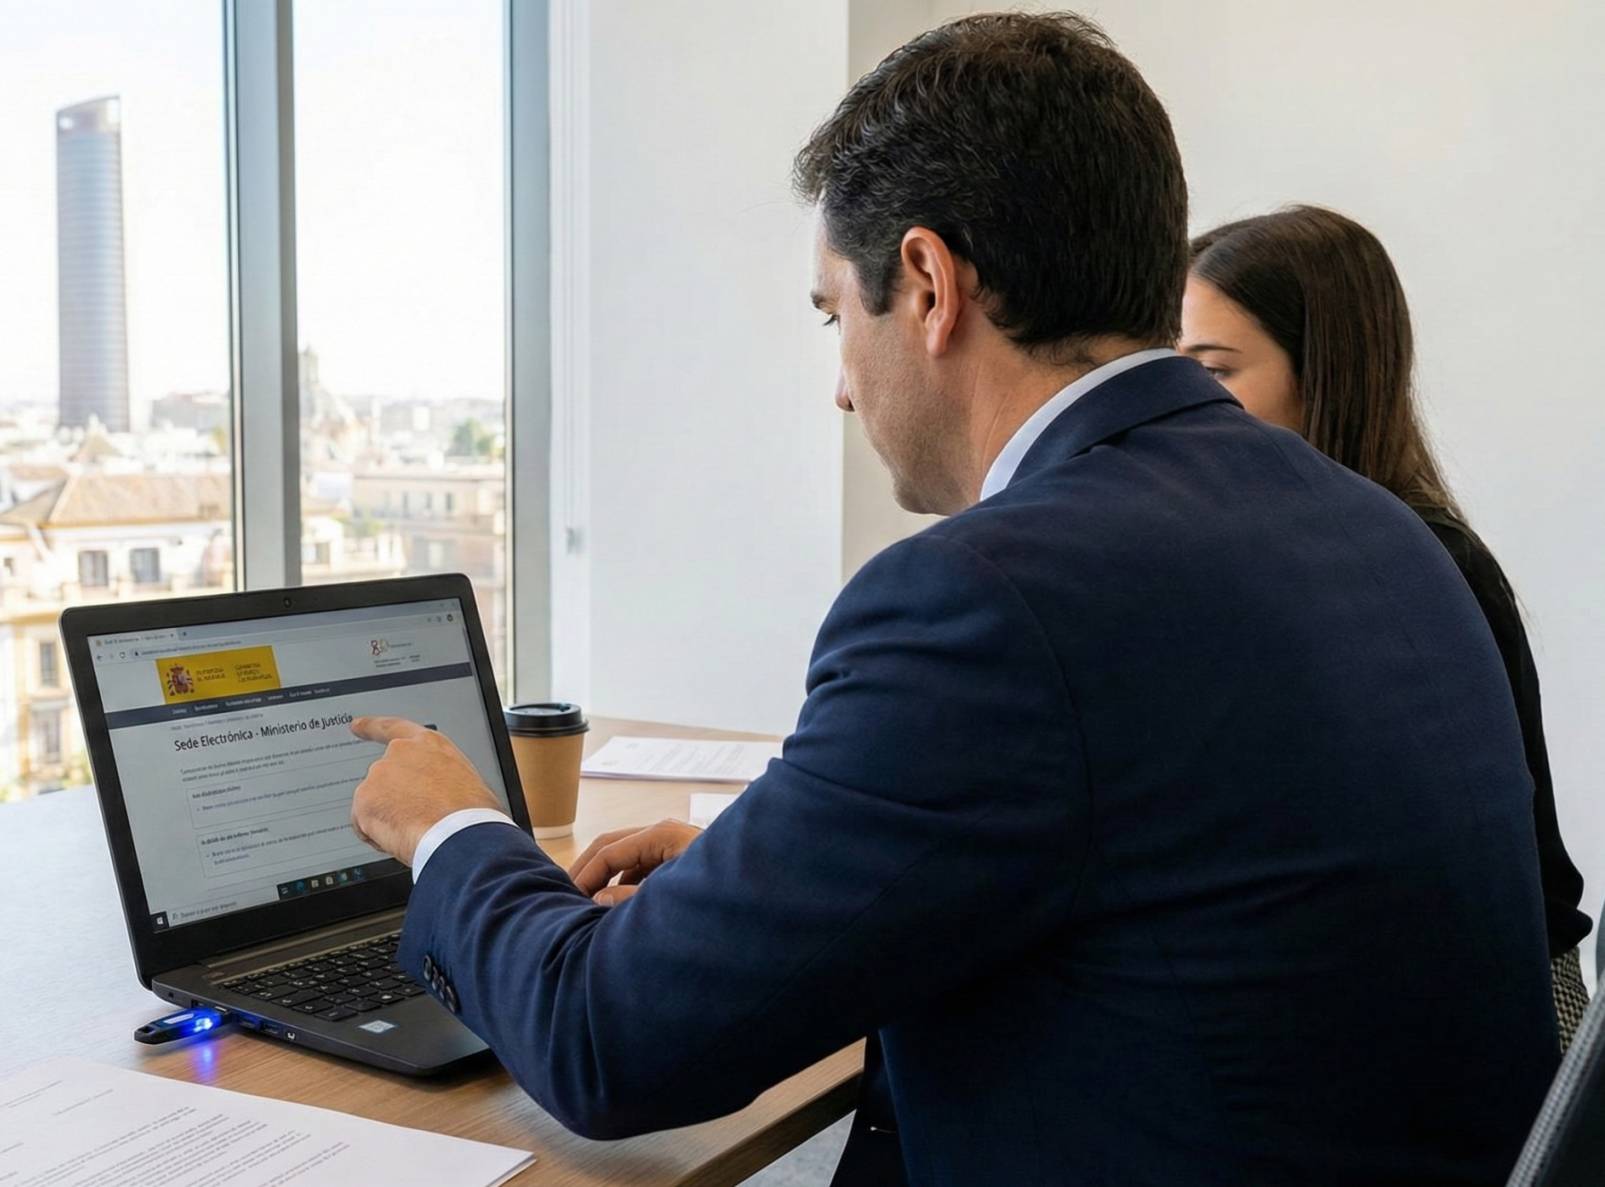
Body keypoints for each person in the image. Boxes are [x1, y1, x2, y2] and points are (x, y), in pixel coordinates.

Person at [348, 13, 1559, 1184]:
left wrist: (453, 830)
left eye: (834, 313)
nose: (837, 385)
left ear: (926, 284)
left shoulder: (987, 597)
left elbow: (604, 1043)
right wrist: (779, 875)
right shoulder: (1375, 528)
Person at [1181, 204, 1591, 1048]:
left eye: (1212, 372)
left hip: (1483, 1006)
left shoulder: (1419, 566)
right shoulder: (1255, 558)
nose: (1178, 407)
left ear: (1324, 372)